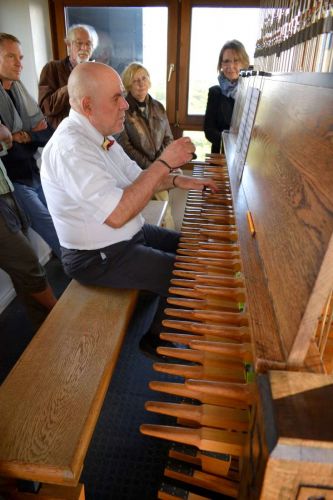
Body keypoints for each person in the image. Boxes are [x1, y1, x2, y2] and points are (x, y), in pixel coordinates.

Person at [40, 62, 218, 358]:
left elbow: (138, 177)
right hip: (94, 256)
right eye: (116, 98)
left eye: (122, 95)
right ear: (87, 105)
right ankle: (157, 340)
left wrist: (176, 179)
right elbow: (117, 214)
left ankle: (161, 322)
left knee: (191, 250)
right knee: (188, 276)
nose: (125, 105)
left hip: (125, 235)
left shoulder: (101, 135)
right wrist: (165, 162)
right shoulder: (71, 147)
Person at [0, 33, 61, 259]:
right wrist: (25, 137)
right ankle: (90, 282)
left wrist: (22, 136)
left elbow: (48, 135)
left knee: (63, 225)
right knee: (54, 233)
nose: (20, 64)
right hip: (14, 183)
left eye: (21, 57)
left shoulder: (20, 91)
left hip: (35, 174)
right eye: (10, 56)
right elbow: (7, 149)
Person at [0, 123, 57, 327]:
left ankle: (45, 330)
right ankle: (61, 318)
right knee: (30, 266)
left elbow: (7, 141)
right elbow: (6, 136)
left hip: (7, 189)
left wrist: (18, 136)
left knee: (22, 275)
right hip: (10, 190)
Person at [117, 62, 176, 229]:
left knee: (164, 213)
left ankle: (170, 247)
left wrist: (160, 165)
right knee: (148, 219)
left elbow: (168, 138)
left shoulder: (158, 106)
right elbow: (125, 147)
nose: (141, 83)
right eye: (135, 80)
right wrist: (152, 169)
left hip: (160, 170)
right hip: (136, 173)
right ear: (128, 84)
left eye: (144, 78)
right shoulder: (123, 109)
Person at [38, 24, 98, 130]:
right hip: (64, 133)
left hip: (91, 131)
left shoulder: (97, 72)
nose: (84, 48)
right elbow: (45, 108)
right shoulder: (52, 68)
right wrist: (73, 83)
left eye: (88, 44)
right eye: (79, 43)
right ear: (69, 45)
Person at [204, 39, 249, 154]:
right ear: (221, 65)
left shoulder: (251, 92)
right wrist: (233, 142)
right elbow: (209, 131)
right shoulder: (215, 92)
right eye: (226, 61)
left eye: (236, 61)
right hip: (221, 156)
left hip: (246, 159)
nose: (231, 66)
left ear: (244, 63)